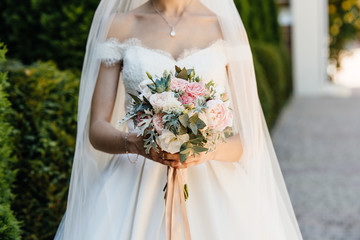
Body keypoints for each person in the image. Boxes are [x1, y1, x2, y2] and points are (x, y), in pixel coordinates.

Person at [54, 0, 304, 239]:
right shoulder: (119, 26)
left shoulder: (226, 29)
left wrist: (206, 151)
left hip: (212, 187)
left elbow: (251, 137)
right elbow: (97, 129)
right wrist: (135, 143)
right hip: (131, 180)